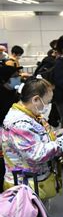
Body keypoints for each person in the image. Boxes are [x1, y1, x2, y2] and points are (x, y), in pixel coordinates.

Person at [1, 77, 63, 199]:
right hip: (25, 187)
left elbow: (36, 137)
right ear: (35, 99)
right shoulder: (19, 123)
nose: (47, 106)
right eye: (46, 102)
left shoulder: (30, 115)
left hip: (34, 182)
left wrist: (57, 134)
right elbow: (37, 154)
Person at [0, 64, 21, 192]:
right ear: (4, 79)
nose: (18, 78)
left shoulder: (13, 92)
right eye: (15, 76)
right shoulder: (2, 95)